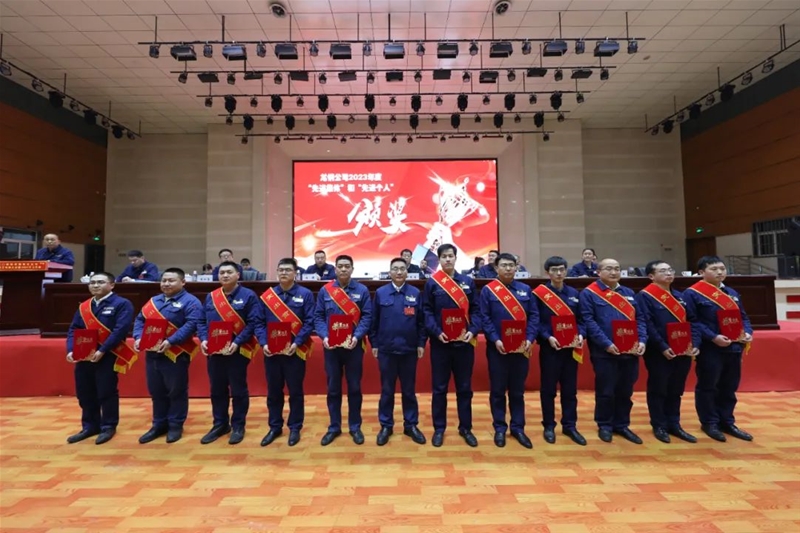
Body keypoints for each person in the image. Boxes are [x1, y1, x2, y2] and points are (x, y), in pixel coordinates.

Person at [683, 256, 754, 442]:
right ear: (701, 272)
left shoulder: (731, 292)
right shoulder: (692, 294)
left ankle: (727, 421)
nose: (720, 272)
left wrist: (747, 332)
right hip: (710, 348)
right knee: (708, 386)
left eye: (722, 268)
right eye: (714, 269)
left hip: (734, 347)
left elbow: (744, 317)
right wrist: (713, 337)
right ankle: (709, 422)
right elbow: (692, 322)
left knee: (729, 386)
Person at [580, 258, 647, 444]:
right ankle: (605, 425)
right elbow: (588, 321)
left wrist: (642, 340)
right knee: (606, 391)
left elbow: (640, 319)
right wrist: (606, 343)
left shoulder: (629, 293)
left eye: (617, 269)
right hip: (604, 352)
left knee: (625, 391)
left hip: (630, 351)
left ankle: (622, 424)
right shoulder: (589, 293)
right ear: (598, 272)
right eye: (609, 269)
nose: (613, 272)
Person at [133, 268, 203, 444]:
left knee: (176, 391)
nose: (166, 284)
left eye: (171, 280)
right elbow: (140, 320)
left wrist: (171, 341)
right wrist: (138, 337)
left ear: (183, 282)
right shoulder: (154, 301)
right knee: (156, 391)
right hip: (152, 353)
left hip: (175, 353)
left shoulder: (191, 302)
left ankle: (175, 425)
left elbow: (192, 324)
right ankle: (159, 424)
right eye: (164, 280)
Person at [197, 261, 262, 445]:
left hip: (237, 351)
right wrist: (203, 339)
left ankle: (238, 425)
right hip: (215, 351)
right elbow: (201, 321)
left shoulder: (248, 295)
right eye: (222, 272)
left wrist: (237, 342)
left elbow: (253, 322)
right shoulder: (211, 296)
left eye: (229, 272)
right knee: (217, 389)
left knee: (238, 390)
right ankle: (220, 424)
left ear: (238, 275)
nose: (225, 275)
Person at [65, 272, 135, 444]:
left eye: (100, 282)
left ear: (112, 285)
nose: (95, 285)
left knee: (106, 392)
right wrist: (71, 350)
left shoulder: (122, 304)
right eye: (93, 282)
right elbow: (73, 329)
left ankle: (108, 426)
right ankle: (90, 426)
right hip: (84, 355)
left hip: (108, 354)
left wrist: (103, 350)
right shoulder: (85, 306)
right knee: (84, 392)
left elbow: (120, 330)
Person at [635, 260, 700, 444]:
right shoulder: (645, 296)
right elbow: (647, 324)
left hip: (683, 350)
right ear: (651, 276)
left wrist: (695, 343)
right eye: (663, 271)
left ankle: (674, 424)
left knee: (676, 389)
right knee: (659, 388)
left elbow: (693, 321)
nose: (669, 273)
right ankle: (659, 425)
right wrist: (663, 346)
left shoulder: (680, 296)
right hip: (659, 352)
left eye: (670, 270)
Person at [478, 252, 538, 449]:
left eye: (511, 265)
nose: (508, 268)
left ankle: (518, 428)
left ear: (516, 267)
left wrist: (529, 339)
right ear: (496, 268)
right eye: (503, 265)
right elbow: (485, 318)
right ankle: (499, 428)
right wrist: (495, 339)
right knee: (497, 390)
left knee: (517, 391)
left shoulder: (525, 290)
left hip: (521, 349)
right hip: (498, 349)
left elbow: (534, 316)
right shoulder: (488, 291)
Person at [422, 243, 480, 447]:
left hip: (464, 344)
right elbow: (426, 311)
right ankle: (439, 429)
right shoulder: (432, 283)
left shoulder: (467, 282)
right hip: (441, 345)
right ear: (439, 259)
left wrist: (473, 331)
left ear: (456, 258)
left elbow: (476, 310)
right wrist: (437, 332)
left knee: (464, 388)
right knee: (439, 389)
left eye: (451, 256)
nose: (448, 259)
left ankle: (466, 428)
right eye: (444, 256)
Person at [313, 254, 373, 445]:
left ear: (352, 269)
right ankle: (334, 427)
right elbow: (318, 317)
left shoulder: (362, 290)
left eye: (347, 266)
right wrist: (325, 337)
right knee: (333, 389)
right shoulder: (326, 290)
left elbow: (367, 317)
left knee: (354, 387)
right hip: (332, 348)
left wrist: (357, 336)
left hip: (353, 347)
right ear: (335, 269)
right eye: (340, 266)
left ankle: (355, 427)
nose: (344, 269)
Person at [258, 258, 315, 447]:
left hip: (295, 352)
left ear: (295, 273)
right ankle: (274, 426)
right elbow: (259, 322)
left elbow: (309, 322)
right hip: (272, 352)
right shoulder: (268, 296)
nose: (283, 273)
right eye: (280, 270)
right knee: (274, 391)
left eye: (288, 270)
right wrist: (264, 343)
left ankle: (295, 427)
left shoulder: (305, 294)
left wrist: (297, 342)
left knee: (295, 391)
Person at [370, 257, 427, 446]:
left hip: (409, 350)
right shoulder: (381, 293)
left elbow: (421, 322)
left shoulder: (415, 293)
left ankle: (410, 425)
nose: (399, 272)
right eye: (395, 269)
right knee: (387, 391)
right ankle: (386, 425)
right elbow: (374, 321)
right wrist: (374, 344)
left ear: (407, 271)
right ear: (390, 272)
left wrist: (421, 343)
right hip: (386, 350)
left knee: (409, 391)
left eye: (402, 268)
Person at [532, 256, 586, 446]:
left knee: (570, 390)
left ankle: (570, 425)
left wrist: (581, 335)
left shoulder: (574, 293)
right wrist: (548, 336)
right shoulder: (539, 294)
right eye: (554, 270)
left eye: (562, 269)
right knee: (548, 389)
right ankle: (549, 425)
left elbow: (581, 320)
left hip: (571, 348)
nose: (559, 273)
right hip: (550, 348)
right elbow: (536, 321)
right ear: (547, 272)